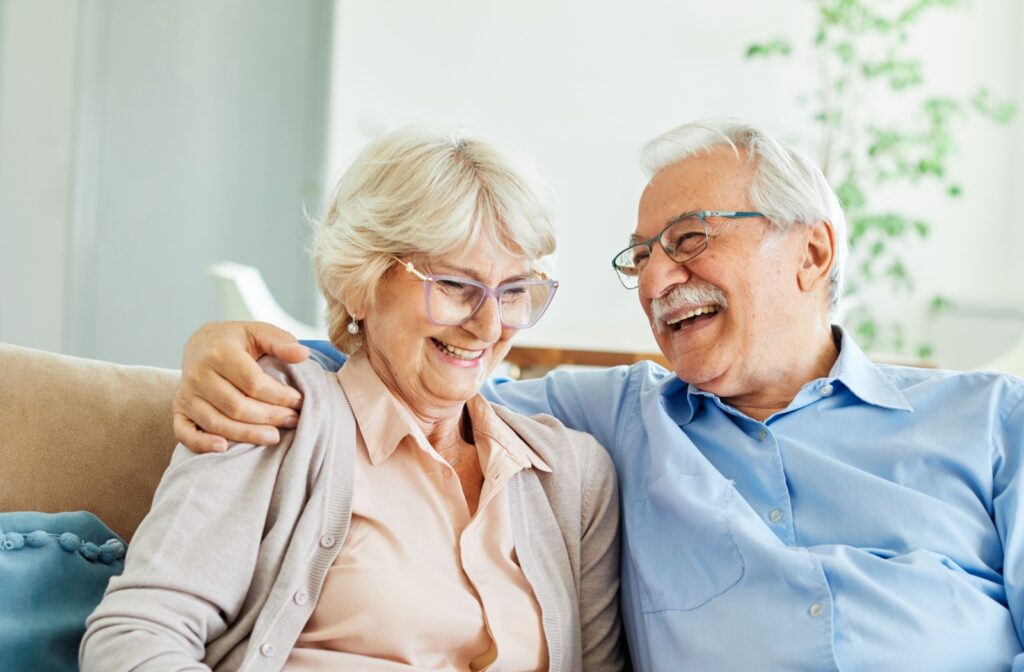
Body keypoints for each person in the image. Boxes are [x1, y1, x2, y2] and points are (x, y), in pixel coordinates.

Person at [173, 118, 1024, 672]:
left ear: (812, 254)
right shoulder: (607, 419)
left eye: (688, 240)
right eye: (640, 256)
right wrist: (239, 352)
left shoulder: (990, 422)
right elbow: (419, 372)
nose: (657, 277)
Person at [81, 127, 624, 671]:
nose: (489, 324)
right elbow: (134, 639)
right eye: (457, 285)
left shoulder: (571, 476)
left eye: (513, 291)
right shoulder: (273, 409)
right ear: (360, 282)